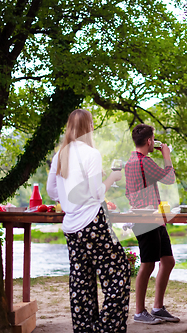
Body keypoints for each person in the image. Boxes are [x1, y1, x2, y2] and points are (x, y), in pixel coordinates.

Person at [47, 109, 130, 333]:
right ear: (89, 127)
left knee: (81, 282)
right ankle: (105, 329)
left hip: (72, 227)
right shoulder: (91, 154)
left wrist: (66, 199)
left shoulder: (60, 155)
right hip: (92, 223)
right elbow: (96, 194)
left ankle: (85, 329)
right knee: (118, 273)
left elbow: (51, 190)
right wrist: (113, 176)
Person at [125, 124, 180, 325]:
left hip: (154, 218)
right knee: (148, 264)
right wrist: (166, 154)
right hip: (145, 219)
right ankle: (139, 312)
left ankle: (157, 307)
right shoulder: (144, 162)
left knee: (168, 261)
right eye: (153, 139)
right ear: (149, 141)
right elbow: (170, 178)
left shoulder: (131, 161)